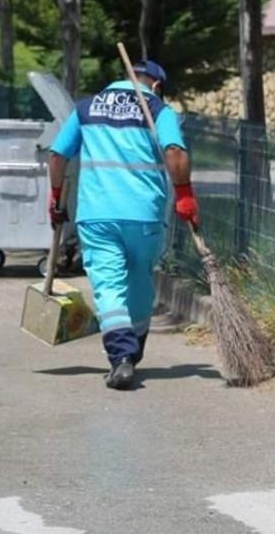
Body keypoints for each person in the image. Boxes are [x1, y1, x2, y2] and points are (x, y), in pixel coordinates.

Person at [47, 59, 198, 391]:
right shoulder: (158, 109)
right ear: (155, 85)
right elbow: (174, 151)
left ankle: (121, 357)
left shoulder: (87, 108)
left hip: (98, 214)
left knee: (109, 286)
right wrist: (185, 194)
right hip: (145, 215)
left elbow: (57, 155)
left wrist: (55, 197)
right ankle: (134, 348)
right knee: (140, 279)